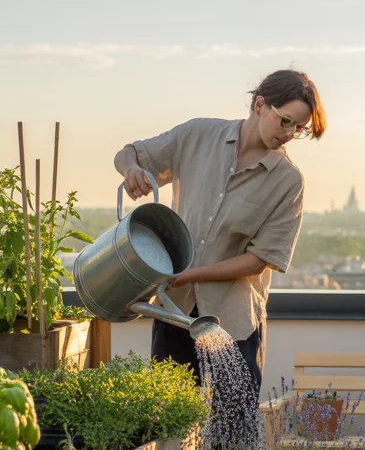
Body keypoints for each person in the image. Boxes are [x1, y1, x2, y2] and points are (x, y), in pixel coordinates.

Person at [113, 69, 326, 397]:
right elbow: (129, 153)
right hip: (176, 312)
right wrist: (132, 170)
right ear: (260, 105)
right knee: (169, 418)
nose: (289, 133)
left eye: (298, 128)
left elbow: (257, 261)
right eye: (285, 121)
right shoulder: (197, 136)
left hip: (234, 325)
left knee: (234, 426)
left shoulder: (288, 182)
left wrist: (188, 275)